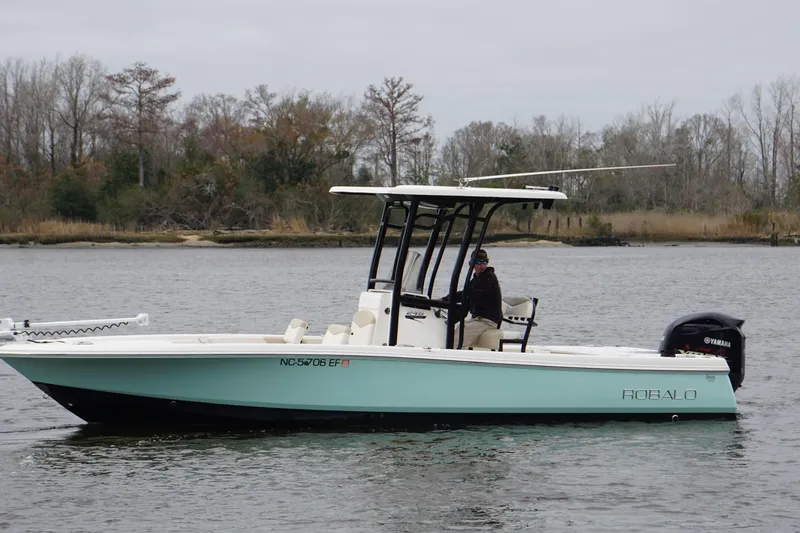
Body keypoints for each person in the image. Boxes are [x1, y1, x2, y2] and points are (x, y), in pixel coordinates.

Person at [449, 248, 503, 348]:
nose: (482, 266)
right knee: (454, 331)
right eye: (478, 262)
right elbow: (465, 297)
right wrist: (443, 300)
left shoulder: (489, 278)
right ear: (472, 264)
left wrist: (448, 299)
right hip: (477, 319)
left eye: (484, 262)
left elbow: (467, 295)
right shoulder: (475, 281)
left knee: (456, 341)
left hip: (487, 321)